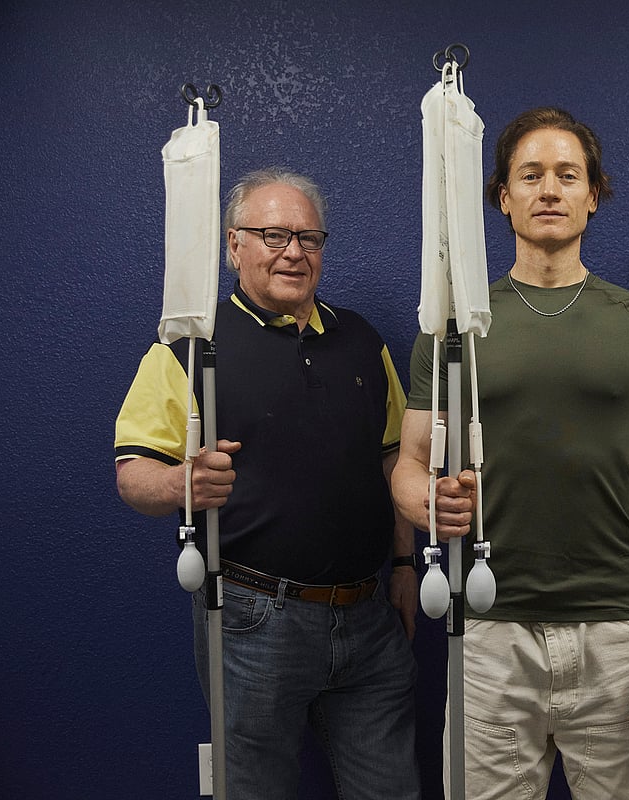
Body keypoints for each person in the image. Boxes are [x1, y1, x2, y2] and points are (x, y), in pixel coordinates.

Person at [391, 107, 629, 800]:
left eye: (568, 175)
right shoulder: (452, 328)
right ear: (503, 196)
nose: (549, 190)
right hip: (489, 634)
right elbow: (409, 467)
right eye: (530, 175)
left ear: (593, 194)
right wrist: (428, 504)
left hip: (618, 631)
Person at [114, 167, 420, 800]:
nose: (293, 253)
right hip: (253, 620)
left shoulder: (362, 341)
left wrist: (403, 564)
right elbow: (132, 474)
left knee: (390, 789)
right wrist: (181, 484)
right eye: (273, 235)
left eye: (308, 238)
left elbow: (393, 462)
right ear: (234, 245)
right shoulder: (190, 348)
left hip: (370, 618)